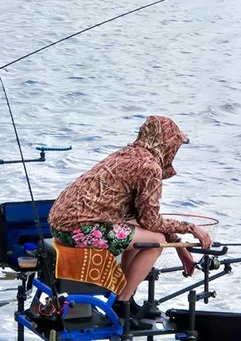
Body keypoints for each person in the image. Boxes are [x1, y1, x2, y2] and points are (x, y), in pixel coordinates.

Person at [48, 115, 211, 327]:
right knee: (156, 242)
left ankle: (125, 296)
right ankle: (122, 305)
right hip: (78, 229)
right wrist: (190, 229)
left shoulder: (127, 153)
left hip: (61, 223)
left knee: (140, 230)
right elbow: (151, 221)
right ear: (166, 143)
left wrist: (179, 245)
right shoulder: (150, 167)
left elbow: (142, 218)